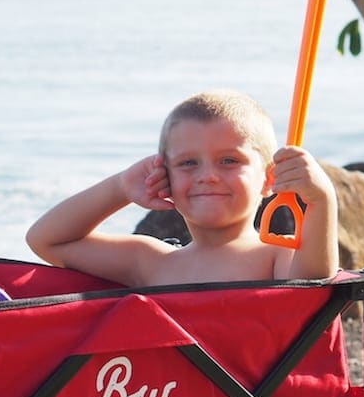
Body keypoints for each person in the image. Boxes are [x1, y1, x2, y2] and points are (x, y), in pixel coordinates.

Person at [25, 90, 338, 287]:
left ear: (270, 178)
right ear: (166, 177)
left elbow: (314, 285)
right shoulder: (151, 262)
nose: (208, 176)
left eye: (229, 161)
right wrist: (120, 187)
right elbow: (46, 240)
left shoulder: (277, 257)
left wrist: (322, 200)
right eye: (188, 163)